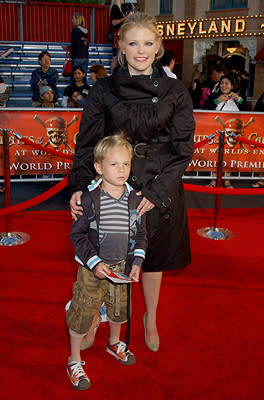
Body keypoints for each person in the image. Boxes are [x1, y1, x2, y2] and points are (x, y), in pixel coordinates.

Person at [69, 12, 195, 353]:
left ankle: (149, 317)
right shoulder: (103, 89)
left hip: (159, 185)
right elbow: (86, 142)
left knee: (153, 258)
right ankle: (98, 315)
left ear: (158, 48)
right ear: (121, 46)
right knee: (105, 255)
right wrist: (80, 186)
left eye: (148, 43)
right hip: (112, 185)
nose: (141, 50)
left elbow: (184, 149)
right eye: (134, 42)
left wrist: (155, 192)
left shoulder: (175, 91)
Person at [66, 134, 147, 390]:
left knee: (119, 310)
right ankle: (74, 359)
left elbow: (141, 234)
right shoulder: (88, 200)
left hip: (122, 269)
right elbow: (77, 235)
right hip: (92, 270)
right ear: (99, 167)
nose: (121, 170)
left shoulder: (135, 199)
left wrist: (137, 261)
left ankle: (114, 343)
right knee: (83, 311)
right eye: (114, 164)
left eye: (126, 164)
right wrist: (94, 262)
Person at [203, 74, 249, 188]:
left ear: (232, 86)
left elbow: (247, 109)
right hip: (216, 132)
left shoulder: (237, 98)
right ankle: (213, 180)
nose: (224, 86)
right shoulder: (213, 96)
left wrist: (239, 99)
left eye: (227, 83)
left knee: (229, 155)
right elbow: (205, 108)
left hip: (232, 133)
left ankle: (227, 181)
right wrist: (217, 101)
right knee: (214, 156)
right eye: (222, 83)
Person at [109, 0, 133, 72]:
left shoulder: (119, 8)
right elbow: (114, 22)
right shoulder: (115, 7)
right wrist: (126, 17)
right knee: (116, 56)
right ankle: (114, 74)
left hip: (119, 34)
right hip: (116, 35)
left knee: (117, 56)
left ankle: (115, 74)